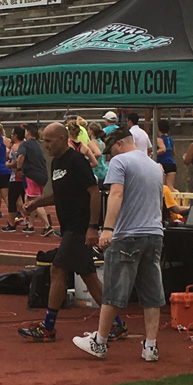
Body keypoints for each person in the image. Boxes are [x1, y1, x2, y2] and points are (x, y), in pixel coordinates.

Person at [73, 124, 164, 362]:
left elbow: (116, 194)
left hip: (128, 234)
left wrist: (107, 229)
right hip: (154, 233)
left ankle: (100, 342)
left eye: (111, 151)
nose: (110, 157)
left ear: (120, 144)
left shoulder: (121, 162)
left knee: (113, 290)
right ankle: (151, 346)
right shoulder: (155, 166)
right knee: (152, 292)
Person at [20, 122, 105, 341]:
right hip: (69, 226)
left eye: (48, 141)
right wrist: (38, 201)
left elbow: (94, 192)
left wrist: (92, 227)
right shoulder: (56, 163)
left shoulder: (77, 160)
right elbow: (60, 194)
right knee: (89, 277)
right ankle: (115, 323)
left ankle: (48, 326)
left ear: (61, 139)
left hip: (79, 227)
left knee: (57, 270)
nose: (45, 146)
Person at [15, 122, 52, 236]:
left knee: (34, 201)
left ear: (28, 132)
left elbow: (21, 157)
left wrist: (18, 169)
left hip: (32, 176)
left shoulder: (25, 145)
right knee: (28, 200)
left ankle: (47, 225)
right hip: (41, 175)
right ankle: (30, 225)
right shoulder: (37, 144)